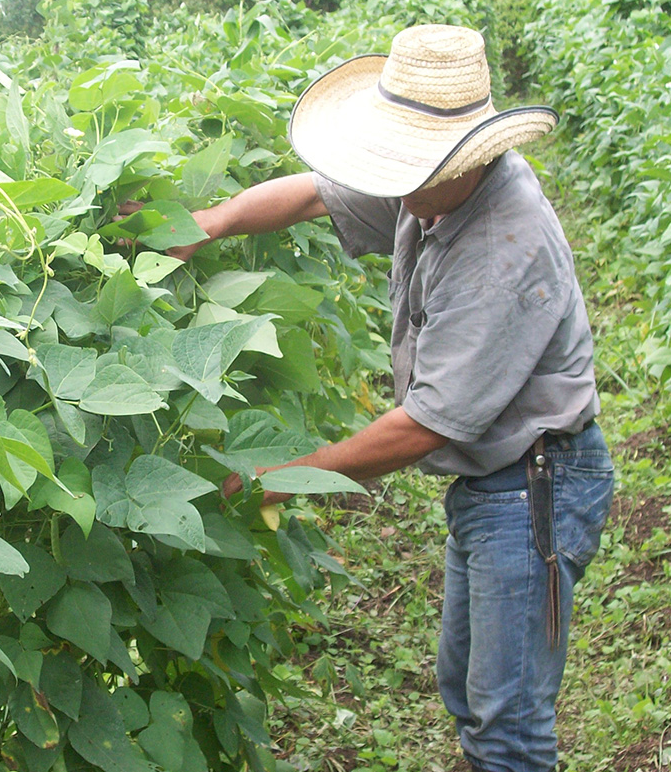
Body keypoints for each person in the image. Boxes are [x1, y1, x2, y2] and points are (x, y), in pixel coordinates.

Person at [126, 24, 613, 772]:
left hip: (533, 489)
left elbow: (424, 425)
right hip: (494, 483)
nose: (394, 185)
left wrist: (285, 473)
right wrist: (209, 223)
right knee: (469, 689)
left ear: (469, 155)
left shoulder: (500, 248)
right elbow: (315, 196)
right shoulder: (433, 185)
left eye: (410, 169)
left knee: (508, 722)